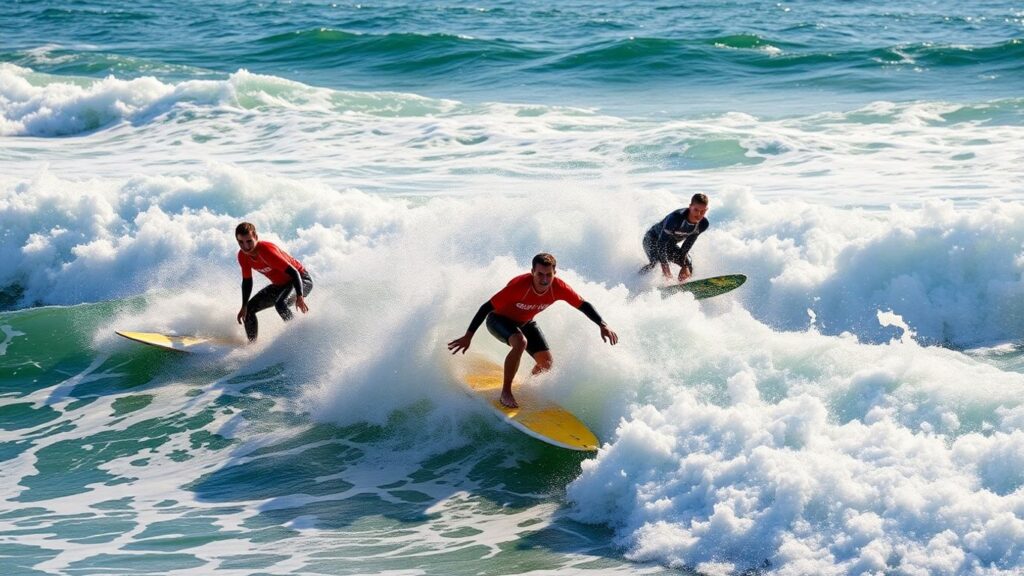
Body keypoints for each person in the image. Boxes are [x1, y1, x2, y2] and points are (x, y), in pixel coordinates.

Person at [447, 253, 618, 408]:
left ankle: (524, 388)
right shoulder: (520, 286)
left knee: (546, 364)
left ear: (555, 273)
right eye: (540, 274)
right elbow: (485, 308)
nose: (544, 279)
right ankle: (506, 392)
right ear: (532, 272)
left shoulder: (559, 288)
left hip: (526, 322)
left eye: (548, 275)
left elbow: (583, 305)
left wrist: (602, 324)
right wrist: (468, 337)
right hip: (498, 320)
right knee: (520, 342)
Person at [235, 222, 312, 342]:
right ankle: (252, 345)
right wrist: (244, 305)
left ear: (255, 237)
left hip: (301, 280)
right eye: (241, 242)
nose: (246, 247)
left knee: (281, 304)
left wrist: (299, 296)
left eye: (249, 241)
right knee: (249, 310)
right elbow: (247, 281)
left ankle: (300, 339)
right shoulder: (243, 256)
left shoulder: (266, 251)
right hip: (280, 285)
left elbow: (294, 272)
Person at [639, 193, 710, 283]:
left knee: (688, 265)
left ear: (706, 210)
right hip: (652, 240)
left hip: (669, 245)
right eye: (696, 210)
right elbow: (661, 243)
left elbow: (687, 245)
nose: (699, 214)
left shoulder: (703, 224)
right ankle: (637, 279)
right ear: (690, 207)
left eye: (703, 211)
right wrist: (666, 268)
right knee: (656, 263)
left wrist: (684, 266)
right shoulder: (675, 218)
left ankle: (682, 286)